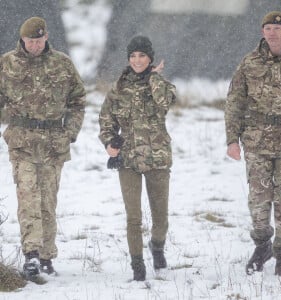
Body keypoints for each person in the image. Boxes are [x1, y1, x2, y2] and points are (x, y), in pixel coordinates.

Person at [0, 17, 86, 281]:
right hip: (22, 142)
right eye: (30, 41)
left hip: (53, 143)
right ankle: (31, 255)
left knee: (48, 200)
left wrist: (70, 131)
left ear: (46, 38)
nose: (35, 45)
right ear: (22, 40)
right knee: (28, 198)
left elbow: (78, 100)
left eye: (38, 40)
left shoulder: (62, 64)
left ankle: (47, 256)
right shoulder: (7, 64)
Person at [225, 11, 281, 276]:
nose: (272, 33)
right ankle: (262, 244)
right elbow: (234, 102)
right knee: (258, 204)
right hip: (257, 143)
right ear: (263, 32)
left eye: (277, 29)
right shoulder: (250, 63)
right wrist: (232, 140)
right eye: (268, 28)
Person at [99, 35, 176, 281]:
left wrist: (153, 76)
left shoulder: (160, 83)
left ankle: (157, 247)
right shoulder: (118, 88)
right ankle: (137, 264)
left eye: (142, 55)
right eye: (133, 56)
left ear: (150, 58)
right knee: (133, 217)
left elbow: (166, 101)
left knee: (160, 216)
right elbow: (105, 120)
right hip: (128, 159)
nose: (137, 60)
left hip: (157, 158)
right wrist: (109, 143)